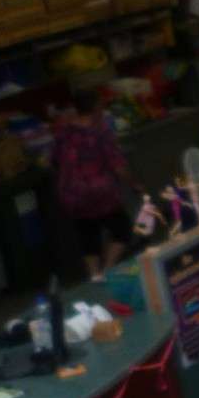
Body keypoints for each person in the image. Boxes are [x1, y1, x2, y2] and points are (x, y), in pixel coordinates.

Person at [50, 94, 138, 279]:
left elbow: (55, 161)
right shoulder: (100, 133)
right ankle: (108, 269)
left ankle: (94, 276)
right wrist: (134, 183)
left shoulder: (64, 134)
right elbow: (119, 167)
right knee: (122, 230)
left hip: (74, 195)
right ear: (96, 109)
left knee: (88, 235)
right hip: (101, 194)